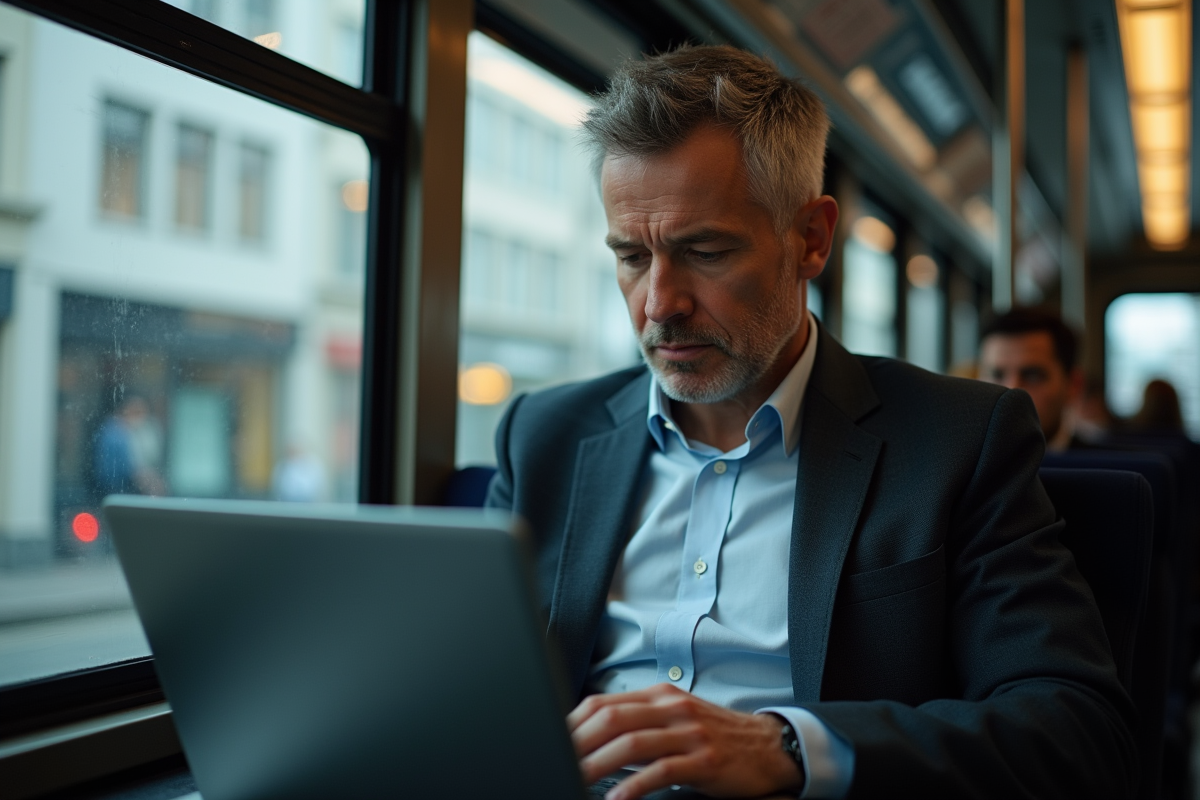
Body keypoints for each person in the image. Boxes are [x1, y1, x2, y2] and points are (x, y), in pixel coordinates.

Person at [487, 46, 1135, 799]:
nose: (659, 303)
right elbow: (467, 687)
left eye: (704, 250)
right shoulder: (544, 437)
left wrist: (789, 748)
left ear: (812, 239)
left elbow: (1077, 729)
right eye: (632, 256)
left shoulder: (959, 441)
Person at [977, 308, 1086, 451]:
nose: (1011, 390)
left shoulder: (1106, 469)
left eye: (1033, 376)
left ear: (1073, 385)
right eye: (997, 375)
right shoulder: (956, 468)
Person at [93, 395, 166, 498]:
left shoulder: (138, 432)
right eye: (135, 412)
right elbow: (126, 468)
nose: (140, 417)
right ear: (124, 410)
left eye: (142, 412)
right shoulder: (114, 433)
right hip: (115, 490)